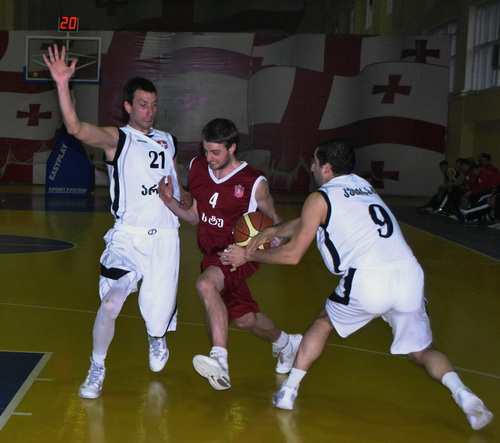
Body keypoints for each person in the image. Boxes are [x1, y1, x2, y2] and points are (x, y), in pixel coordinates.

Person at [220, 138, 493, 431]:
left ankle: (288, 392)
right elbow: (311, 220)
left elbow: (293, 255)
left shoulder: (319, 197)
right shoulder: (362, 186)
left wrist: (248, 255)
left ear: (326, 167)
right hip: (409, 275)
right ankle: (464, 395)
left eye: (314, 162)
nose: (311, 167)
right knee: (421, 351)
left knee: (323, 323)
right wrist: (273, 230)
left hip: (369, 278)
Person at [43, 44, 191, 399]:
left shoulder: (168, 142)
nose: (149, 111)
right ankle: (97, 367)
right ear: (128, 106)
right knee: (111, 303)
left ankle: (156, 335)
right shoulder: (117, 139)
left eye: (153, 105)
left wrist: (185, 201)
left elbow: (177, 187)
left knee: (157, 319)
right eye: (142, 104)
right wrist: (62, 84)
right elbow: (75, 128)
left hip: (164, 238)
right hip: (128, 237)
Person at [158, 118, 301, 390]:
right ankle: (286, 343)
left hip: (238, 254)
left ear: (232, 148)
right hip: (210, 254)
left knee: (205, 284)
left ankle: (220, 361)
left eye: (216, 152)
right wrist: (169, 202)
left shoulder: (254, 182)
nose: (209, 158)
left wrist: (267, 243)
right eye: (206, 150)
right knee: (245, 318)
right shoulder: (198, 167)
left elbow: (277, 225)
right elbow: (195, 216)